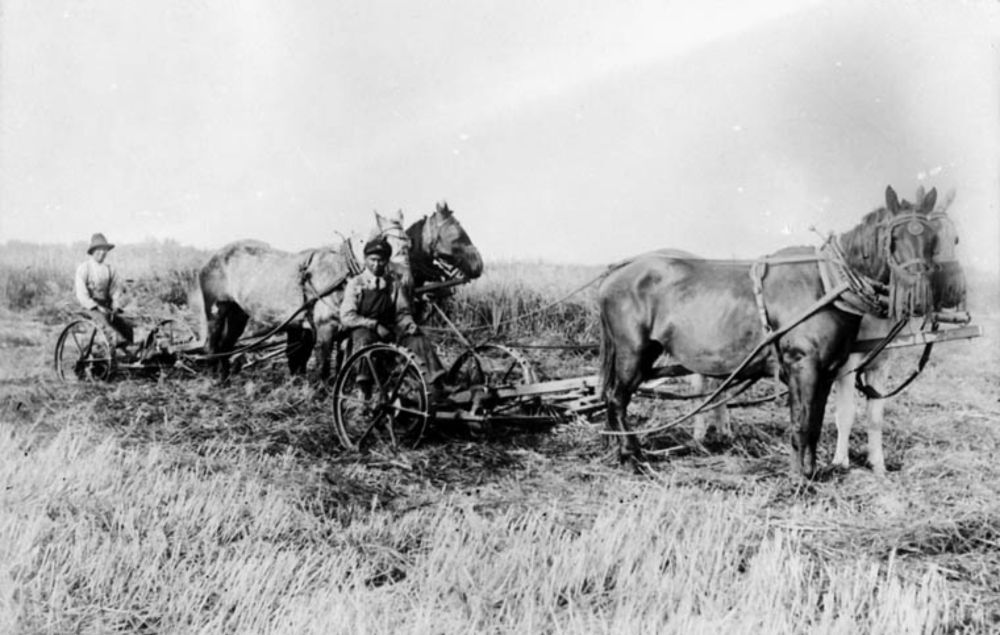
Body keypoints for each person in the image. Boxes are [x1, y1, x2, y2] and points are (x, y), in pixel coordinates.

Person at [340, 238, 446, 390]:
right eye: (373, 260)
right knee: (366, 341)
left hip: (390, 330)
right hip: (363, 330)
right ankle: (365, 389)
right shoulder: (356, 283)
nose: (376, 265)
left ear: (387, 261)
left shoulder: (393, 283)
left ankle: (436, 382)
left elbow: (402, 312)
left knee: (418, 340)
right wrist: (374, 325)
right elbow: (347, 317)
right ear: (365, 260)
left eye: (381, 261)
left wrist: (409, 325)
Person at [74, 232, 134, 349]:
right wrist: (95, 306)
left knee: (124, 323)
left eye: (104, 250)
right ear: (92, 251)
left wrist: (115, 305)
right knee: (105, 324)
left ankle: (129, 350)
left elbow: (115, 290)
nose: (102, 253)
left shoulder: (110, 269)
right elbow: (82, 294)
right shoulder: (84, 268)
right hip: (90, 307)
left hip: (107, 306)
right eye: (99, 250)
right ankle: (114, 344)